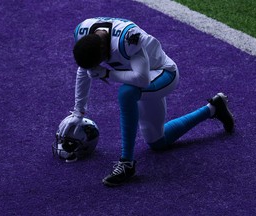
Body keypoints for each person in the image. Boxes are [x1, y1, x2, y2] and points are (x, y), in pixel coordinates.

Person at [58, 17, 234, 187]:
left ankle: (126, 163)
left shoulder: (127, 39)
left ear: (104, 49)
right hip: (142, 78)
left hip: (164, 73)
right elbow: (85, 69)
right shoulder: (84, 31)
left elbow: (142, 80)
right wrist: (78, 112)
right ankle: (213, 108)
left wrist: (106, 73)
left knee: (126, 93)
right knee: (158, 142)